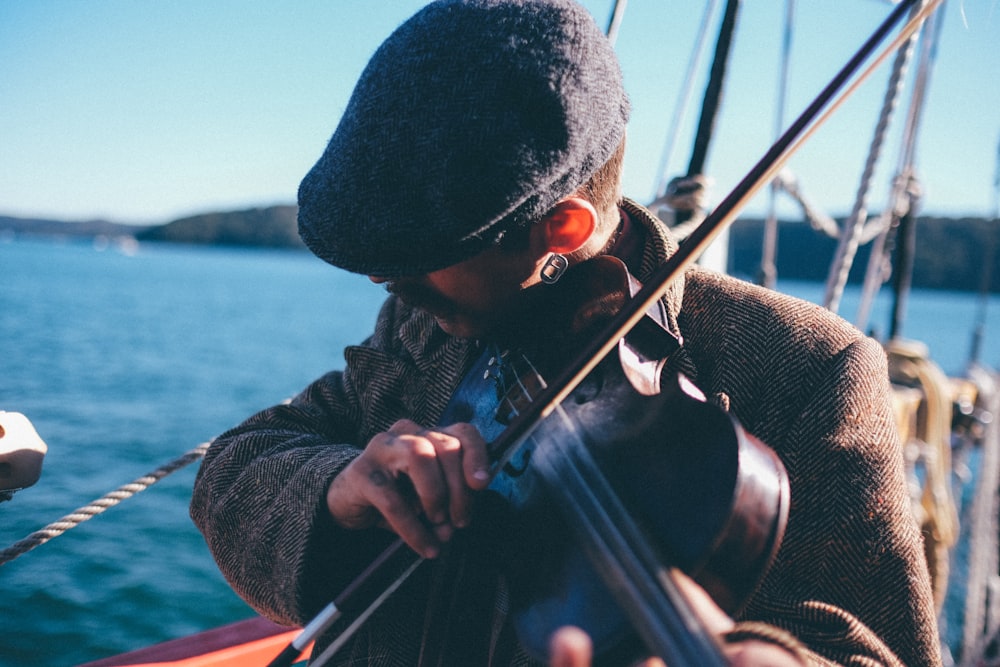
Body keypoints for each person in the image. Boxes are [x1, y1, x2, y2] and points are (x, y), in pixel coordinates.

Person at [190, 1, 941, 665]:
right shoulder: (427, 325)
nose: (389, 286)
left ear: (563, 227)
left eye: (426, 259)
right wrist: (338, 490)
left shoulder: (807, 369)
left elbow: (871, 646)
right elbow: (235, 467)